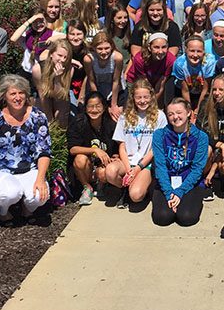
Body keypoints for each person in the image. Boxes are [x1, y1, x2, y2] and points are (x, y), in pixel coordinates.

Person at [0, 74, 51, 222]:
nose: (17, 97)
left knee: (39, 196)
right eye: (13, 93)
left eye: (21, 93)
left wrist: (40, 179)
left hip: (29, 168)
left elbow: (44, 151)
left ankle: (27, 208)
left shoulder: (37, 116)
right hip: (4, 170)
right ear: (5, 96)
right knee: (10, 194)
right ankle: (3, 212)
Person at [106, 78, 168, 208]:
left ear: (151, 96)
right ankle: (124, 188)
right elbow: (122, 146)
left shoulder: (160, 116)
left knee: (136, 195)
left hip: (146, 163)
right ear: (133, 98)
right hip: (127, 161)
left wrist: (138, 168)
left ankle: (139, 188)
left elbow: (156, 148)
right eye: (138, 97)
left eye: (146, 97)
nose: (142, 101)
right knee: (110, 172)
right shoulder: (125, 116)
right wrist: (129, 170)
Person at [150, 98, 209, 226]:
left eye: (179, 112)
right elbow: (160, 166)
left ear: (188, 112)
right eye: (170, 114)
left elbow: (197, 169)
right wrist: (169, 193)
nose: (175, 117)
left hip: (190, 181)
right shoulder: (159, 135)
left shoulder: (201, 137)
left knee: (187, 218)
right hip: (166, 181)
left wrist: (179, 192)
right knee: (162, 218)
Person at [67, 92, 123, 206]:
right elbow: (72, 149)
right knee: (80, 159)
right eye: (90, 106)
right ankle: (87, 188)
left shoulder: (111, 124)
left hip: (103, 165)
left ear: (104, 108)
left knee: (103, 173)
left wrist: (117, 156)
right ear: (85, 108)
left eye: (98, 106)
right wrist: (95, 150)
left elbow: (121, 144)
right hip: (87, 167)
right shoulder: (78, 123)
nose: (94, 110)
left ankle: (102, 185)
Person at [32, 38, 74, 129]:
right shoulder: (38, 69)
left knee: (61, 117)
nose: (62, 60)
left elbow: (60, 95)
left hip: (60, 95)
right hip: (44, 95)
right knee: (45, 119)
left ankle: (62, 135)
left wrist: (57, 79)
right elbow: (43, 95)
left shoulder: (69, 69)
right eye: (59, 55)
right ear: (51, 54)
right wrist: (49, 119)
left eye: (65, 57)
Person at [126, 32, 176, 108]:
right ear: (149, 47)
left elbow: (160, 84)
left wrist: (152, 105)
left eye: (164, 47)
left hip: (156, 82)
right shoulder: (139, 59)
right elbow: (144, 84)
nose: (160, 51)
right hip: (136, 81)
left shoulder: (171, 60)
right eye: (156, 47)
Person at [83, 31, 125, 119]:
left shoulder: (117, 58)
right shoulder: (89, 59)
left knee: (116, 115)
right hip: (97, 89)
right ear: (94, 48)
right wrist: (100, 103)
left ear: (111, 47)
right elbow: (91, 81)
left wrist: (113, 105)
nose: (104, 52)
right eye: (100, 48)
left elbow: (116, 81)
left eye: (107, 48)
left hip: (115, 90)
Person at [10, 8, 55, 84]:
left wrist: (54, 38)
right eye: (35, 22)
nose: (38, 24)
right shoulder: (28, 35)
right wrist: (29, 21)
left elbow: (66, 37)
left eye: (41, 21)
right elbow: (13, 38)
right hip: (25, 73)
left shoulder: (51, 34)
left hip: (42, 75)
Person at [172, 35, 217, 111]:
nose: (195, 55)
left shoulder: (209, 62)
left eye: (199, 51)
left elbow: (206, 88)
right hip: (184, 91)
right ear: (186, 50)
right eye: (192, 51)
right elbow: (185, 90)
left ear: (203, 51)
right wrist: (189, 109)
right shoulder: (179, 63)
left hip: (202, 92)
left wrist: (198, 109)